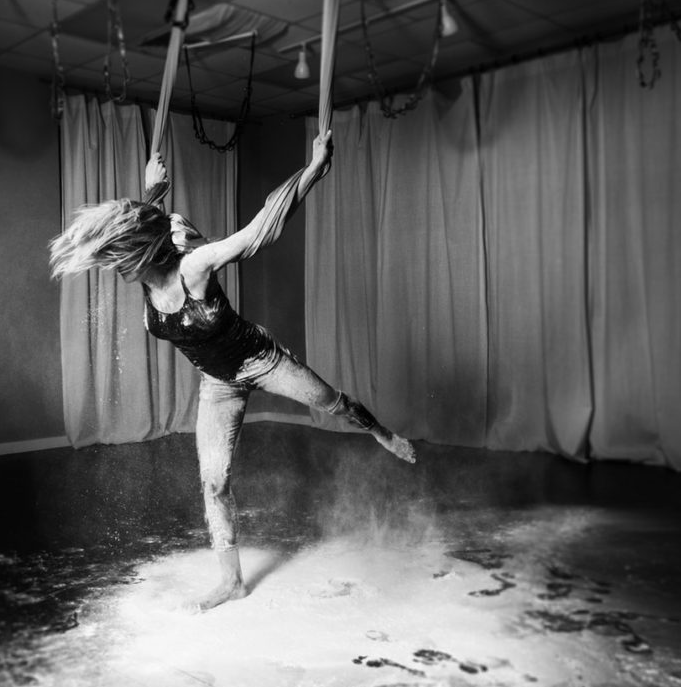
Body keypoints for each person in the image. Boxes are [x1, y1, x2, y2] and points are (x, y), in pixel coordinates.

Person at [49, 130, 415, 612]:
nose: (119, 270)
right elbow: (148, 221)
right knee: (214, 482)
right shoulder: (148, 270)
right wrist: (153, 188)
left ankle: (382, 432)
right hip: (218, 384)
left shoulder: (195, 266)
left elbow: (260, 229)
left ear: (144, 252)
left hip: (262, 361)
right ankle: (232, 582)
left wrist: (313, 168)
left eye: (123, 260)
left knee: (333, 404)